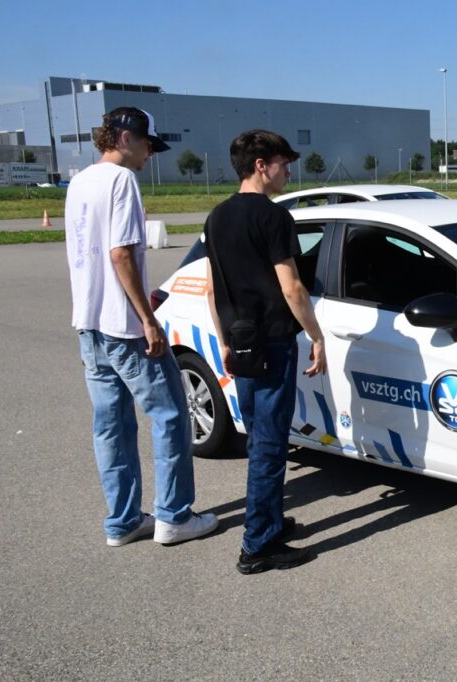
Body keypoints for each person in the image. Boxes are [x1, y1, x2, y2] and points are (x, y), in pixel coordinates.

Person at [65, 107, 218, 547]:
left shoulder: (80, 181)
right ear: (126, 137)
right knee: (170, 414)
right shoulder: (122, 181)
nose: (151, 154)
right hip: (125, 326)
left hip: (89, 323)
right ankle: (174, 516)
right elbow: (120, 254)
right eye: (149, 144)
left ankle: (123, 520)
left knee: (110, 425)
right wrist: (147, 320)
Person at [204, 130, 326, 574]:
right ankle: (257, 546)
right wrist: (317, 335)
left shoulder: (216, 218)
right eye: (283, 163)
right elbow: (292, 288)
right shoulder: (274, 218)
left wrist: (221, 340)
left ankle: (269, 522)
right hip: (273, 342)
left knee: (260, 439)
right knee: (271, 447)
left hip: (240, 342)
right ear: (261, 165)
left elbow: (212, 289)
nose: (288, 171)